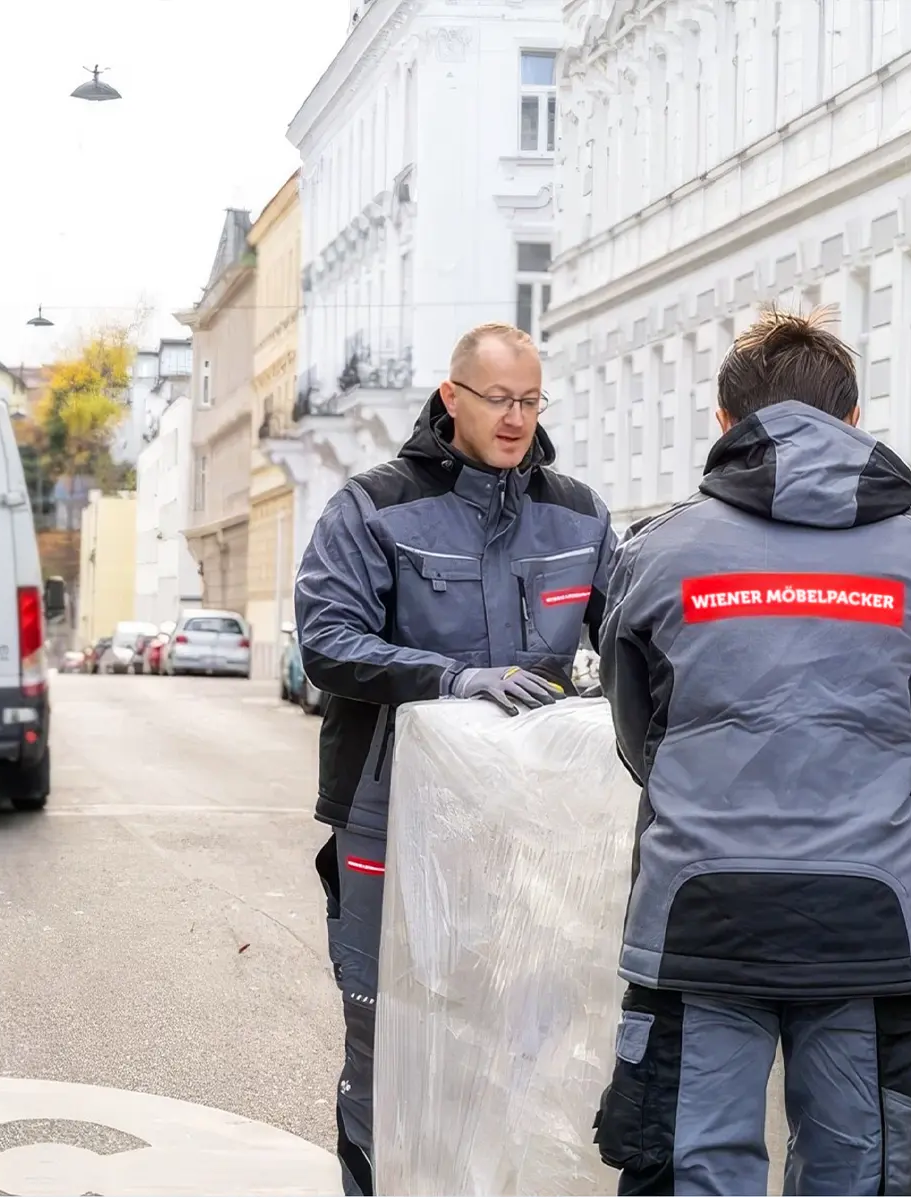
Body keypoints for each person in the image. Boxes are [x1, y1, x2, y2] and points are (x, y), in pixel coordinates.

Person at [595, 306, 911, 1197]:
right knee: (856, 1177)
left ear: (725, 424)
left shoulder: (656, 554)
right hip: (871, 924)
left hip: (698, 918)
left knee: (691, 1173)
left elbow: (638, 735)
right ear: (853, 421)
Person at [294, 322, 618, 1195]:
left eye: (530, 400)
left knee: (518, 1027)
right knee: (385, 1025)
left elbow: (630, 639)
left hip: (528, 823)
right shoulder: (372, 506)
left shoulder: (579, 514)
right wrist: (452, 678)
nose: (515, 419)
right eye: (497, 399)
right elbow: (325, 641)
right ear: (452, 398)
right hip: (388, 810)